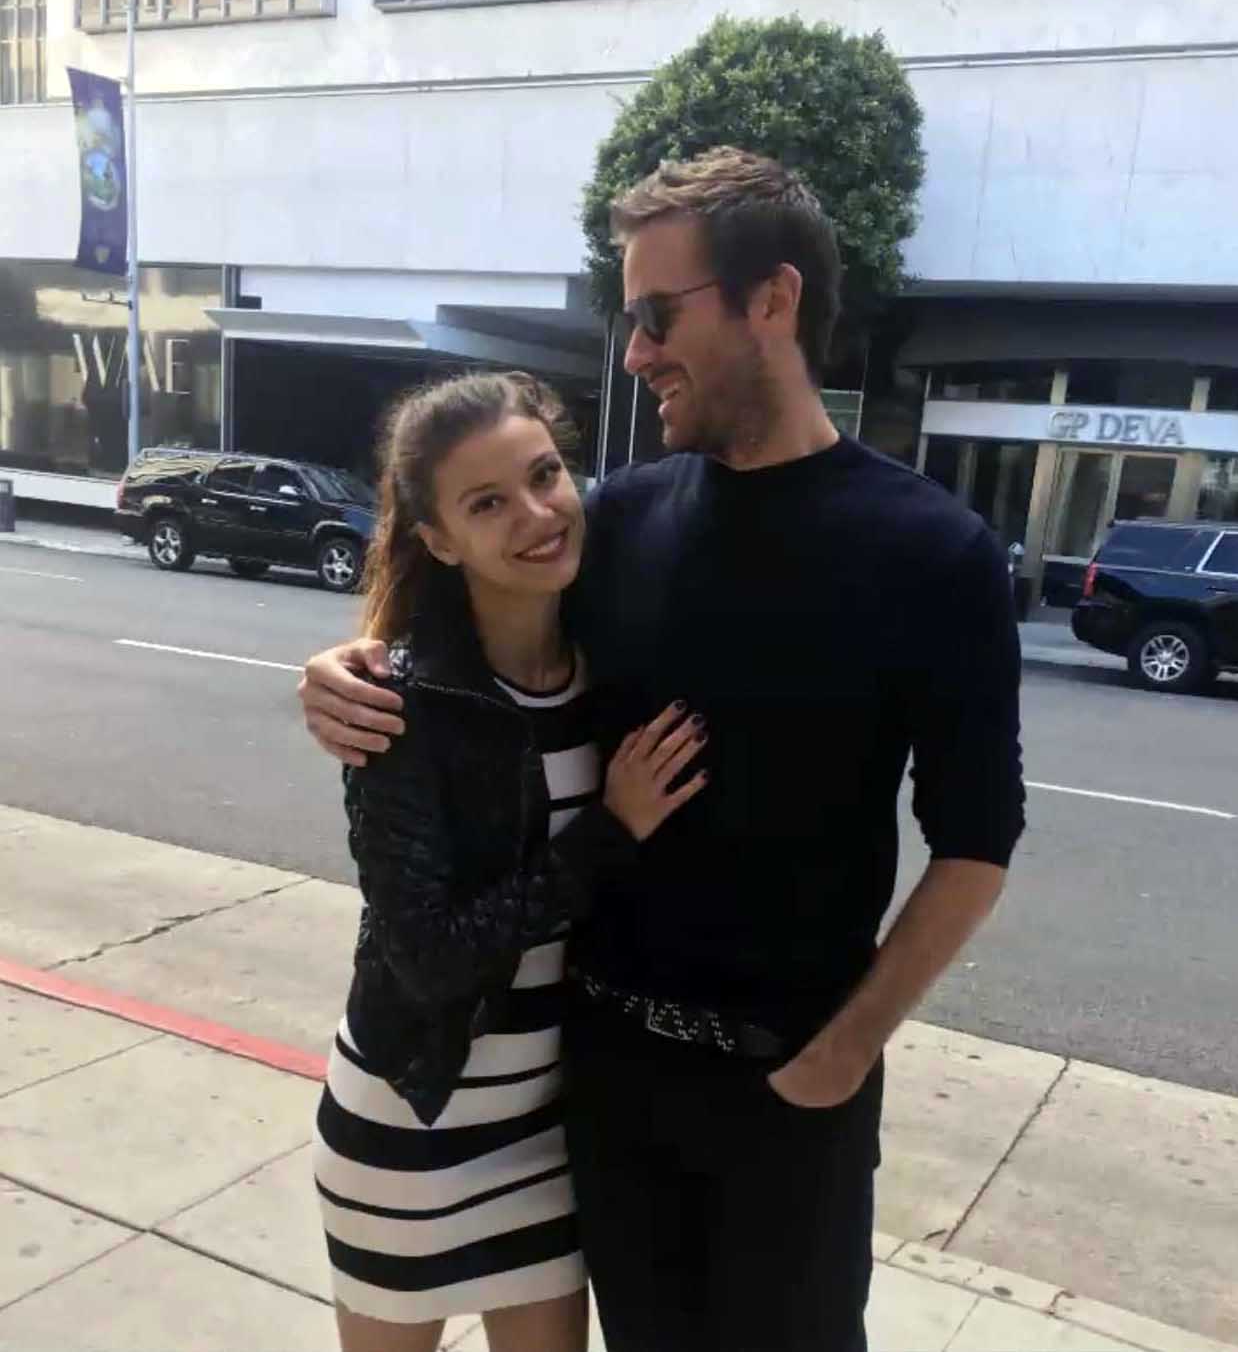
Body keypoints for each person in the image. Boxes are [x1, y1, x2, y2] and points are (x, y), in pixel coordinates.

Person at [300, 147, 1026, 1352]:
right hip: (597, 1087)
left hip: (789, 1094)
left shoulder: (933, 554)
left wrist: (843, 1053)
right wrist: (345, 668)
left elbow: (976, 843)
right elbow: (473, 649)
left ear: (772, 300)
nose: (634, 352)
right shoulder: (624, 519)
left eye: (655, 316)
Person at [311, 370, 706, 1352]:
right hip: (410, 1121)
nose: (536, 513)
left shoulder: (610, 670)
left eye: (545, 474)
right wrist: (607, 832)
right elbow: (431, 956)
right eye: (487, 502)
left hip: (543, 1132)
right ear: (437, 539)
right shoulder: (404, 707)